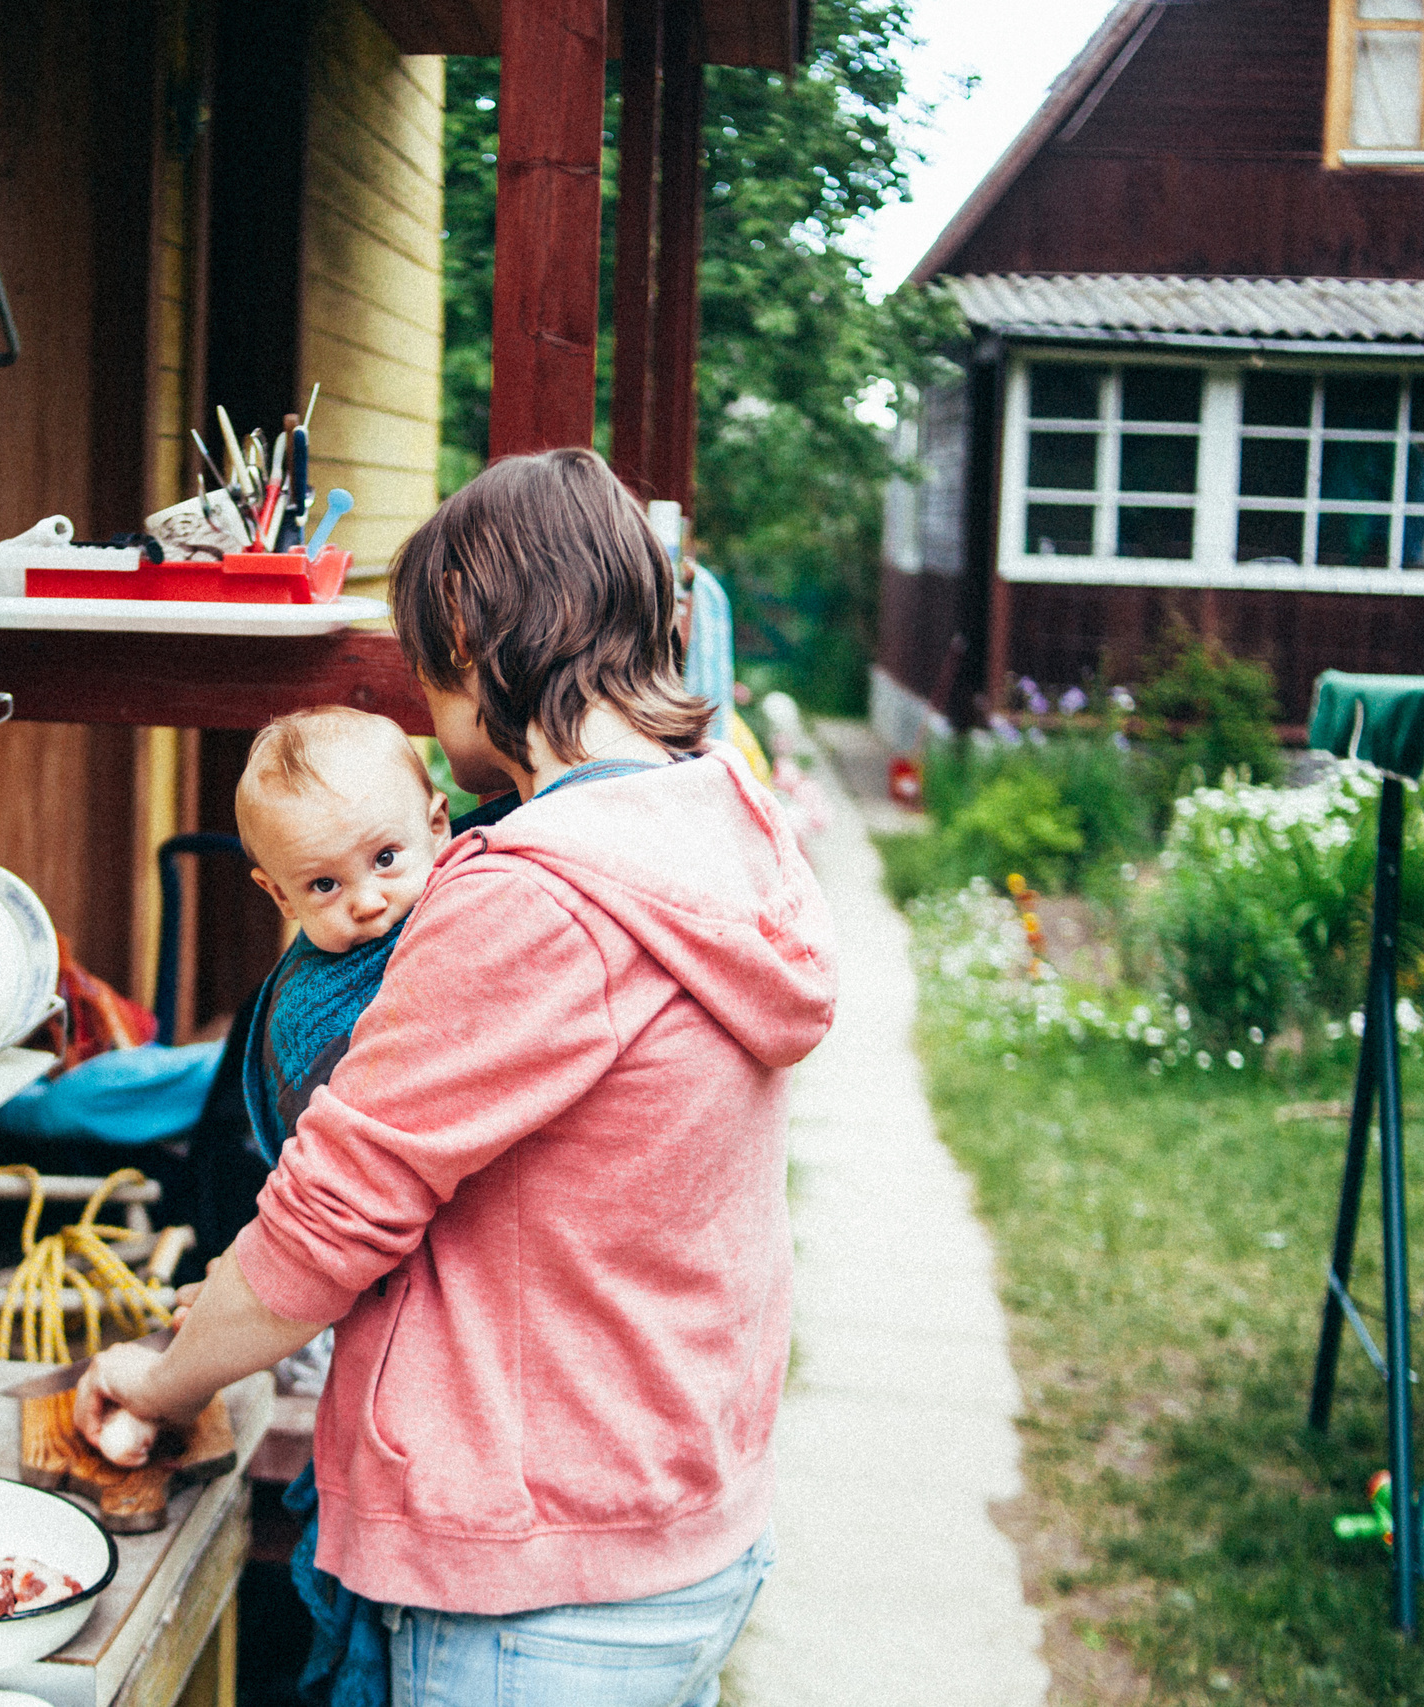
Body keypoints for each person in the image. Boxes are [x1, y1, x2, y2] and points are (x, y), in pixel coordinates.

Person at [78, 448, 838, 1707]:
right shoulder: (716, 819)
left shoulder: (535, 897)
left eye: (429, 669)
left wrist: (156, 1379)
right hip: (683, 1522)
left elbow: (330, 1221)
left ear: (480, 648)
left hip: (537, 1589)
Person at [233, 706, 454, 1165]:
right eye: (325, 885)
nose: (368, 902)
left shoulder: (481, 899)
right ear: (281, 895)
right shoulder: (305, 1015)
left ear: (437, 829)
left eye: (386, 859)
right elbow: (338, 1160)